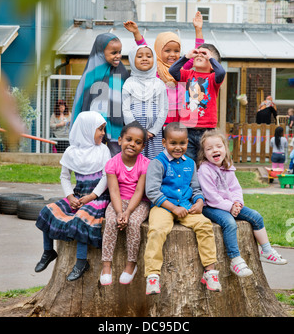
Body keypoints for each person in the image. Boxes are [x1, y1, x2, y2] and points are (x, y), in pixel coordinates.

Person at [197, 129, 287, 278]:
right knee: (229, 223)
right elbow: (211, 196)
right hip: (211, 207)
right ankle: (235, 259)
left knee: (256, 216)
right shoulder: (205, 170)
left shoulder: (228, 167)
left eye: (219, 146)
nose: (215, 150)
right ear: (204, 153)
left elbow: (236, 188)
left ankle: (267, 250)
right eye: (209, 148)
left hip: (232, 204)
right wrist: (229, 207)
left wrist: (237, 202)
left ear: (225, 148)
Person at [144, 122, 221, 295]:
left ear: (187, 142)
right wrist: (172, 208)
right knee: (157, 230)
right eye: (173, 143)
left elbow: (195, 188)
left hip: (186, 206)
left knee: (205, 225)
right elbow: (152, 192)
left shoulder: (191, 163)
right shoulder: (157, 163)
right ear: (164, 142)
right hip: (162, 206)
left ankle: (210, 272)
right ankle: (152, 275)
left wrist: (199, 201)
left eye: (182, 143)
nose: (178, 148)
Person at [35, 111, 111, 281]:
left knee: (80, 218)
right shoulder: (71, 152)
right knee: (48, 211)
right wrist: (70, 197)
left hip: (97, 198)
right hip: (77, 196)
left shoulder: (103, 151)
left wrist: (91, 196)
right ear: (87, 129)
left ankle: (81, 261)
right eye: (100, 129)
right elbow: (64, 176)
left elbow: (106, 177)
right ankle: (48, 251)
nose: (103, 134)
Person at [123, 11, 204, 125]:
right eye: (167, 50)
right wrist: (136, 32)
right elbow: (143, 47)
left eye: (176, 51)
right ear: (159, 51)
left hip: (181, 112)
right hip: (161, 112)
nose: (172, 54)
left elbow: (197, 52)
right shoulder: (156, 66)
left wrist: (198, 30)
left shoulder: (182, 66)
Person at [100, 121, 151, 286]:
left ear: (142, 147)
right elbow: (113, 191)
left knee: (134, 223)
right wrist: (119, 212)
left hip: (139, 203)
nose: (132, 144)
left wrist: (127, 212)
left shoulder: (145, 164)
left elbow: (139, 191)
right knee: (110, 222)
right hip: (117, 201)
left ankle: (131, 264)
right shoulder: (112, 163)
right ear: (120, 140)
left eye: (138, 142)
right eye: (129, 139)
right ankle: (106, 265)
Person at [70, 32, 129, 157]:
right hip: (94, 127)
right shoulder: (90, 74)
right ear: (101, 52)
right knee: (93, 155)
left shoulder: (122, 72)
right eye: (114, 53)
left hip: (116, 127)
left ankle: (114, 177)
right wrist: (75, 128)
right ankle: (94, 177)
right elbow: (80, 101)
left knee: (117, 156)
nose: (118, 56)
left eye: (120, 51)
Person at [169, 43, 226, 162]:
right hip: (187, 129)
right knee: (188, 161)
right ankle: (191, 181)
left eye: (204, 54)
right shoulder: (187, 75)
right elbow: (172, 70)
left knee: (205, 161)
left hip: (206, 131)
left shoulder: (213, 78)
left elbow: (221, 72)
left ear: (212, 64)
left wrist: (210, 57)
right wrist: (186, 57)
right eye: (197, 53)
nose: (199, 55)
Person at [122, 45, 168, 159]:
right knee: (135, 158)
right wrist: (136, 129)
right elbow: (125, 109)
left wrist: (153, 131)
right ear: (132, 60)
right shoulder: (129, 83)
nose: (144, 58)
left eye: (149, 56)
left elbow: (164, 109)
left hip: (154, 134)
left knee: (154, 160)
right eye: (139, 56)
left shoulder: (159, 83)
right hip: (134, 132)